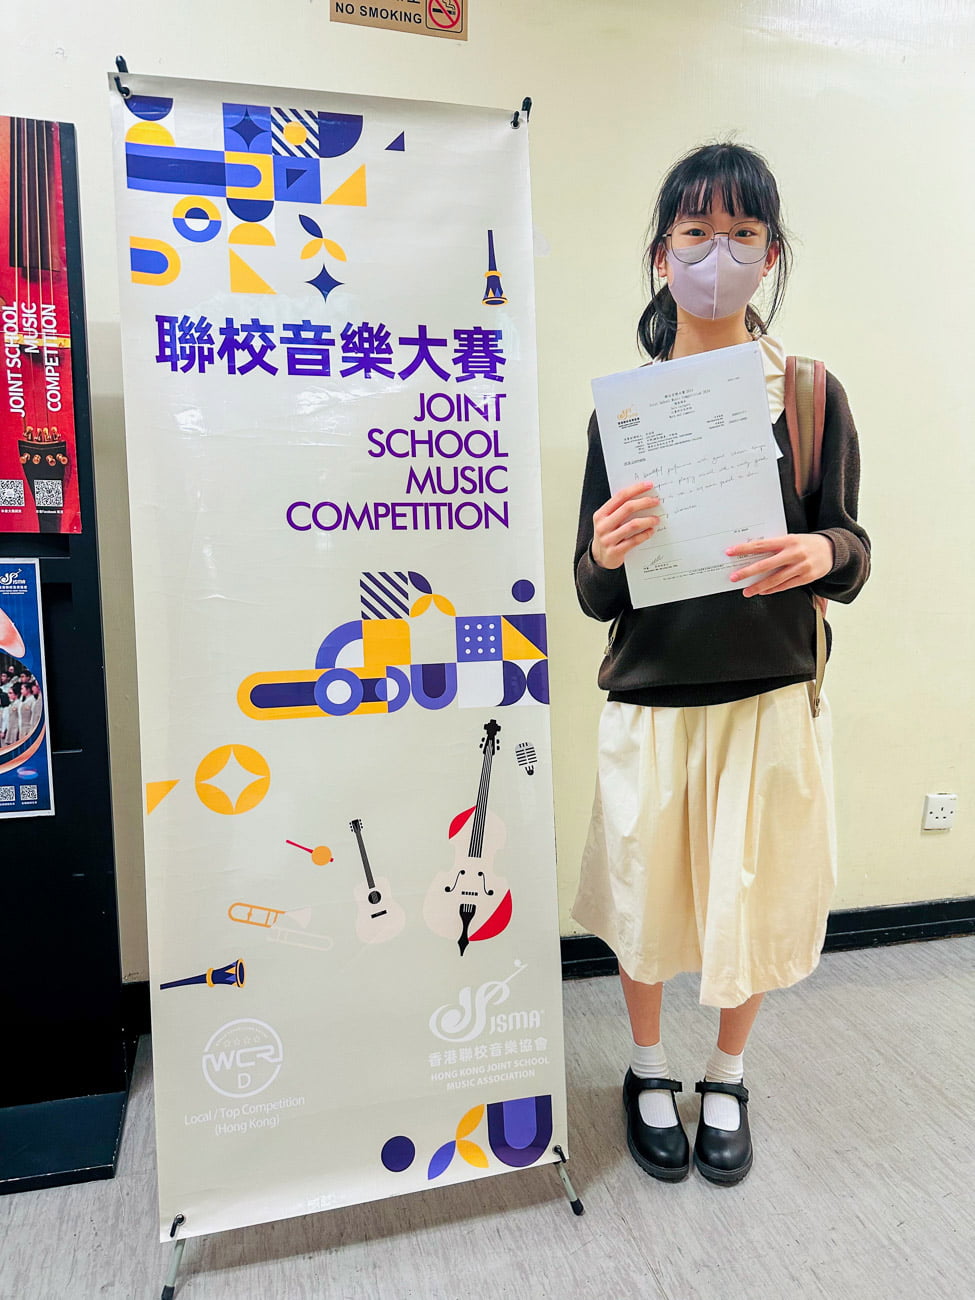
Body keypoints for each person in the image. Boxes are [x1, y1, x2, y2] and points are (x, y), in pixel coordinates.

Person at [571, 142, 870, 1187]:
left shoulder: (811, 395)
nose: (717, 255)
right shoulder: (626, 410)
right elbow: (594, 591)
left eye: (742, 234)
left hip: (770, 695)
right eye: (696, 233)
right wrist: (606, 551)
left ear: (770, 253)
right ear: (663, 254)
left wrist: (821, 552)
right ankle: (648, 1067)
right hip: (653, 698)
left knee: (759, 899)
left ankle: (727, 1074)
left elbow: (853, 546)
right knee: (644, 900)